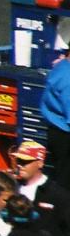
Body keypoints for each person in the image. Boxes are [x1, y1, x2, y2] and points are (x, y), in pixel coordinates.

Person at [39, 54, 70, 190]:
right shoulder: (68, 78)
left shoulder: (61, 66)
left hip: (54, 128)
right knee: (65, 180)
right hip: (65, 133)